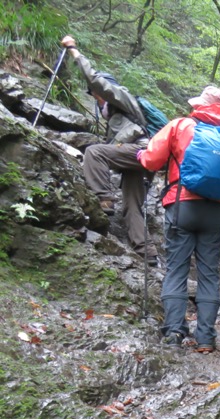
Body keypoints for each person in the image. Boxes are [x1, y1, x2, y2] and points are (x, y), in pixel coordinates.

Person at [137, 86, 220, 352]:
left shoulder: (181, 126)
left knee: (177, 269)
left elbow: (152, 160)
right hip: (214, 213)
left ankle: (174, 333)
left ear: (201, 106)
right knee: (209, 274)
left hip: (182, 205)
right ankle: (206, 338)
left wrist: (139, 155)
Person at [60, 35, 158, 266]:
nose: (96, 98)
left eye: (97, 95)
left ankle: (104, 199)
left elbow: (94, 80)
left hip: (139, 150)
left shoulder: (121, 95)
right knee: (132, 206)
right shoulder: (117, 113)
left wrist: (73, 49)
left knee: (95, 152)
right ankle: (147, 252)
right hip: (141, 157)